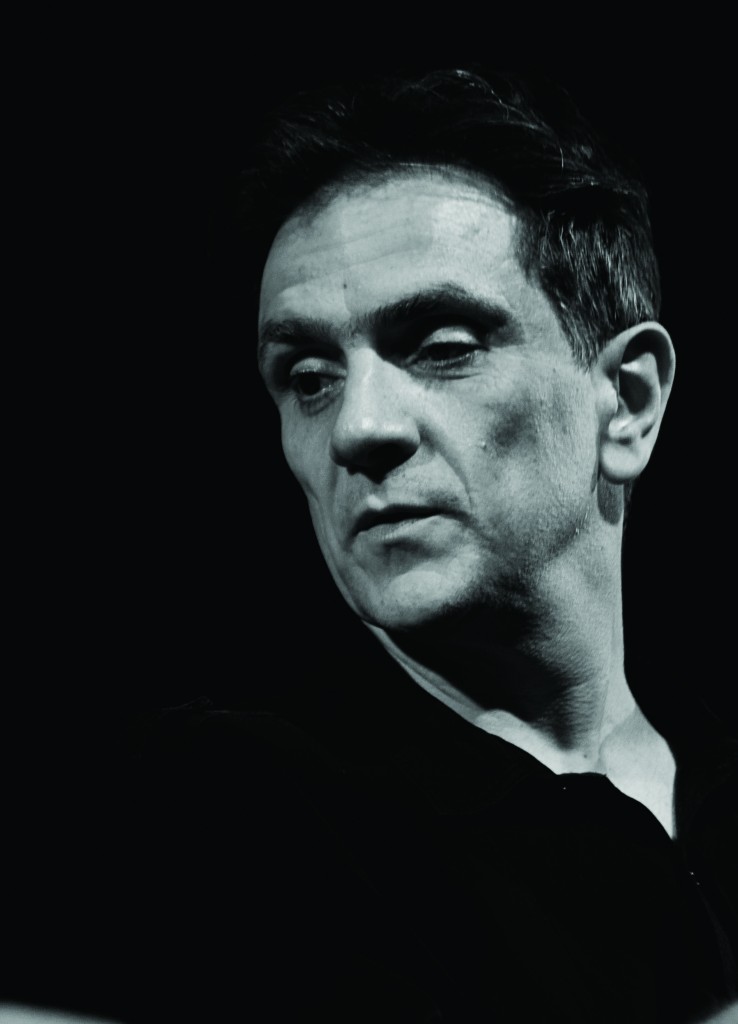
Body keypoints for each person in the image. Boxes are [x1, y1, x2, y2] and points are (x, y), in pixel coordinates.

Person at [3, 67, 735, 1024]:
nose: (358, 428)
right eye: (309, 376)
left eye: (441, 345)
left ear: (627, 404)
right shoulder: (206, 813)